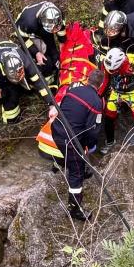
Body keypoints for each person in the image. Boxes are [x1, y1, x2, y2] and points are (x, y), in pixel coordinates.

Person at [38, 69, 105, 220]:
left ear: (87, 80)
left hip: (56, 130)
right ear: (100, 86)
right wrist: (90, 145)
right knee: (77, 172)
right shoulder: (97, 102)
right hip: (69, 139)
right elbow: (93, 129)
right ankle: (75, 210)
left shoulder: (73, 89)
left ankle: (63, 164)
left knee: (74, 157)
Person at [15, 1, 66, 81]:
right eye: (52, 29)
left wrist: (62, 42)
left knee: (54, 54)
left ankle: (57, 67)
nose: (54, 31)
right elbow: (22, 38)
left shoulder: (57, 14)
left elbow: (61, 29)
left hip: (44, 25)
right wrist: (36, 52)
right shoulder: (28, 23)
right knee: (45, 58)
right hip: (27, 31)